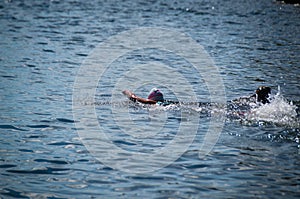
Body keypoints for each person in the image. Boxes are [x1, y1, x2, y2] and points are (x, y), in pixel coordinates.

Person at [122, 86, 271, 105]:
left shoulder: (153, 104)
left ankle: (254, 99)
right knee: (229, 104)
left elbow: (135, 98)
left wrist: (126, 92)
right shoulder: (164, 102)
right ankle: (253, 99)